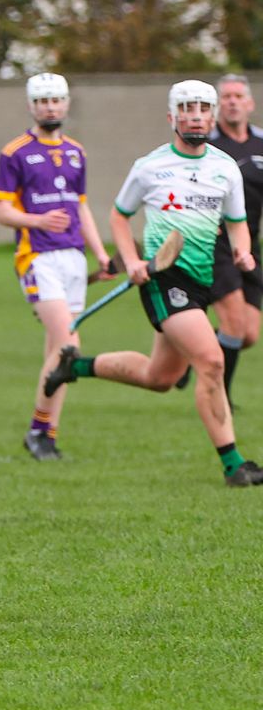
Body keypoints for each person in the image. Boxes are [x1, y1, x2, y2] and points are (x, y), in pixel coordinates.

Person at [45, 79, 263, 487]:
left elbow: (236, 223)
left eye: (202, 109)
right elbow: (119, 216)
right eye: (186, 109)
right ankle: (234, 465)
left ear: (211, 117)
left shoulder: (224, 168)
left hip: (202, 277)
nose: (195, 115)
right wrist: (130, 260)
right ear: (171, 117)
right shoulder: (151, 166)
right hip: (164, 279)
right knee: (212, 361)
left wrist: (243, 251)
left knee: (159, 378)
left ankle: (75, 365)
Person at [0, 73, 113, 461]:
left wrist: (101, 254)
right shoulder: (15, 152)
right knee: (68, 346)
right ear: (31, 105)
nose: (50, 107)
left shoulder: (77, 152)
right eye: (42, 101)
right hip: (37, 257)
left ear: (66, 104)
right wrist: (38, 221)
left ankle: (43, 432)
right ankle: (38, 432)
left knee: (55, 351)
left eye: (56, 100)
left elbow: (81, 207)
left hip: (73, 258)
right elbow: (3, 211)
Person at [206, 73, 263, 404]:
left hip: (250, 246)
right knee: (234, 325)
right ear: (217, 105)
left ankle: (194, 348)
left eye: (237, 96)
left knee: (249, 334)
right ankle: (220, 397)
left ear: (249, 103)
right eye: (225, 96)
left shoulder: (260, 145)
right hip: (217, 247)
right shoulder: (208, 147)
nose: (231, 101)